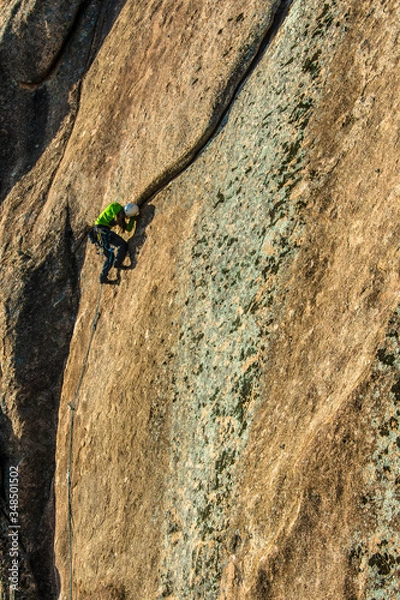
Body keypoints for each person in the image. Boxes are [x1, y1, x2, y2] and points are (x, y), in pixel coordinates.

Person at [90, 202, 140, 284]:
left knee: (110, 255)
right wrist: (125, 218)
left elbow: (129, 228)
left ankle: (103, 278)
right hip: (101, 231)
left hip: (99, 233)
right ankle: (117, 262)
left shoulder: (120, 218)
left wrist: (132, 218)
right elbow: (113, 209)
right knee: (122, 244)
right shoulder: (116, 207)